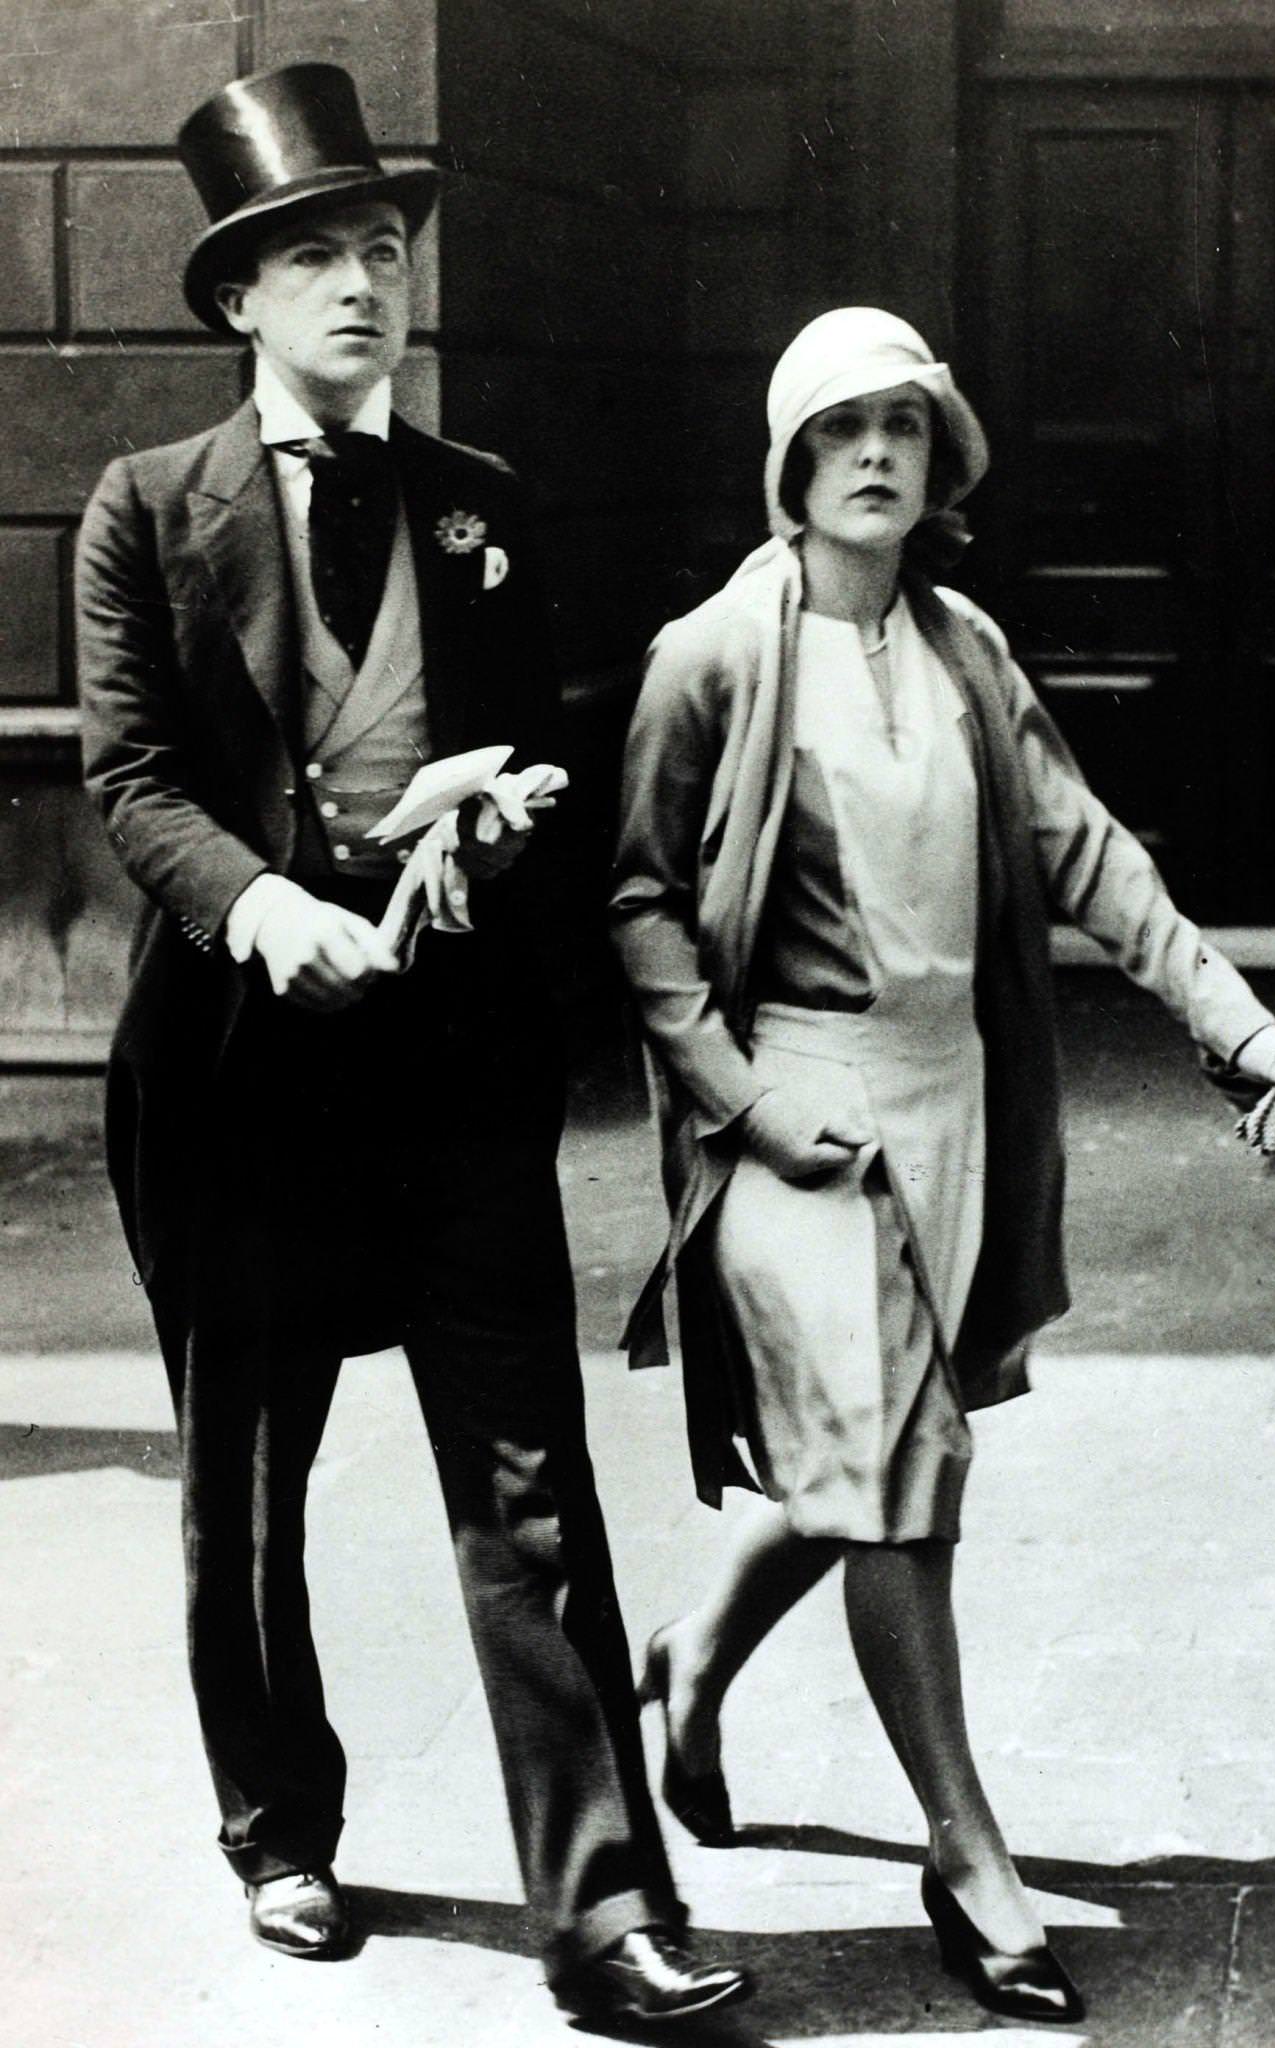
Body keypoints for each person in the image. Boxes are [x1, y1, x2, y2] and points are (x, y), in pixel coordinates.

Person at [75, 62, 749, 2026]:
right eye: (316, 255)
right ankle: (278, 1824)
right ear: (241, 300)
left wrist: (483, 816)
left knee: (530, 1485)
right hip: (232, 1084)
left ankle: (608, 1906)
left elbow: (532, 756)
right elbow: (129, 778)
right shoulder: (142, 511)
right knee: (249, 1484)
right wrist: (266, 897)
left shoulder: (483, 513)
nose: (363, 283)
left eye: (379, 248)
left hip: (448, 1071)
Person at [609, 306, 1275, 2025]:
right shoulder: (708, 654)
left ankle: (692, 1654)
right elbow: (639, 905)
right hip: (799, 1112)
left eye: (908, 429)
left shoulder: (962, 647)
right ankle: (968, 1850)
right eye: (842, 428)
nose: (877, 454)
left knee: (875, 1456)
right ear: (790, 463)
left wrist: (1238, 1028)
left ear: (940, 464)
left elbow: (1091, 857)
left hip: (952, 1108)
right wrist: (738, 1100)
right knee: (903, 1474)